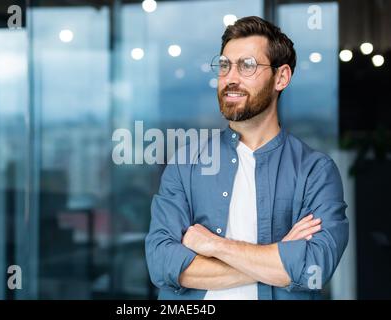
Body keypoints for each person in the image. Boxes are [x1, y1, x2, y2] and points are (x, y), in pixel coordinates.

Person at [145, 16, 348, 300]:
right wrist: (277, 256)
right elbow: (162, 263)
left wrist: (214, 246)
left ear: (281, 77)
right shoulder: (185, 164)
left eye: (247, 66)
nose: (231, 78)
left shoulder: (315, 171)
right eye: (225, 66)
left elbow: (312, 268)